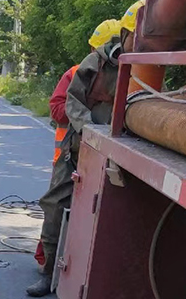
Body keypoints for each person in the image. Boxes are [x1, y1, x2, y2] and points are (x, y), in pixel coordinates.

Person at [27, 4, 142, 297]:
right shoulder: (95, 64)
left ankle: (99, 278)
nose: (140, 44)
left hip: (120, 151)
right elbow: (68, 103)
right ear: (125, 34)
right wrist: (91, 130)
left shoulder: (147, 68)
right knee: (55, 203)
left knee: (109, 210)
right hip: (79, 146)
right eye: (136, 37)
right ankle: (49, 269)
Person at [31, 18, 121, 280]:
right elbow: (58, 109)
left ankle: (84, 271)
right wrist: (87, 117)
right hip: (71, 153)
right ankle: (47, 265)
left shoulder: (134, 73)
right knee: (56, 206)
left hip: (105, 155)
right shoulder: (77, 73)